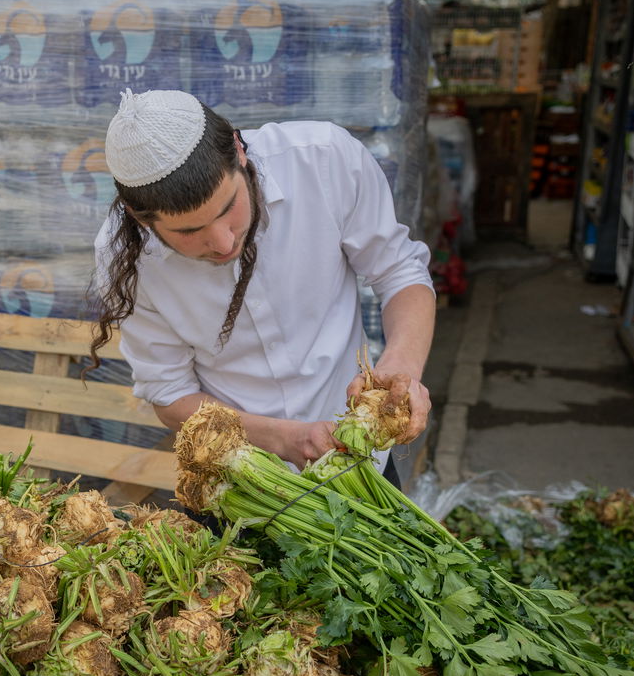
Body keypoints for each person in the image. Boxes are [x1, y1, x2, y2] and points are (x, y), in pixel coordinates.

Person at [90, 89, 435, 478]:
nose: (223, 243)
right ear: (139, 217)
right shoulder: (124, 257)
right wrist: (284, 440)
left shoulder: (322, 159)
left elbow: (399, 272)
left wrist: (401, 368)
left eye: (228, 208)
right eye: (189, 232)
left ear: (239, 151)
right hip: (240, 482)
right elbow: (171, 396)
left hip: (362, 460)